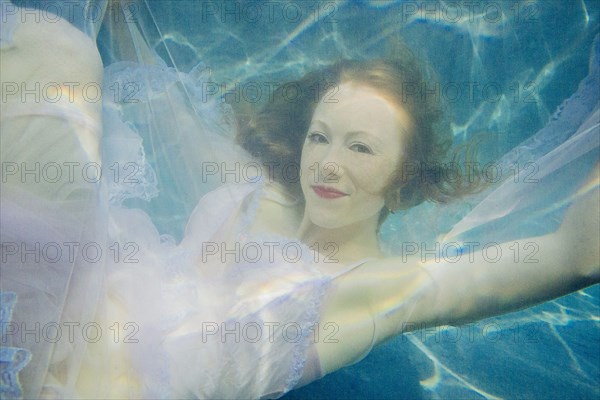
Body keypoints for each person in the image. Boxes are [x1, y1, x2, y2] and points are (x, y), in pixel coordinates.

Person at [1, 2, 598, 399]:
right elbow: (164, 101)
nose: (328, 162)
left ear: (403, 176)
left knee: (57, 53)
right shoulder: (255, 195)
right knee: (50, 49)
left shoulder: (381, 287)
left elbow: (575, 254)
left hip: (85, 383)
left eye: (360, 148)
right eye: (320, 137)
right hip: (72, 306)